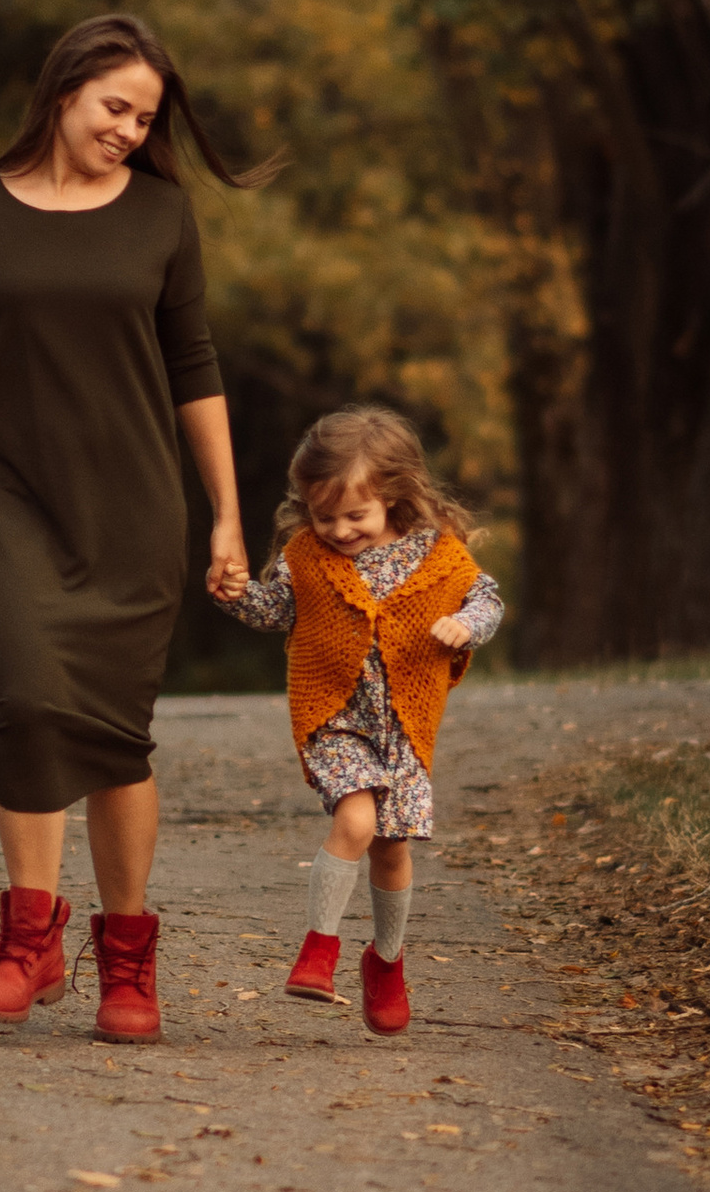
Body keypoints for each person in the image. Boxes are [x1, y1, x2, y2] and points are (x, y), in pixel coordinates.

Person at [0, 13, 265, 1041]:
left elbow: (194, 371)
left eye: (146, 117)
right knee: (33, 699)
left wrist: (226, 517)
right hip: (3, 506)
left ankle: (127, 963)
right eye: (116, 107)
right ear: (61, 95)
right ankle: (27, 938)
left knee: (115, 742)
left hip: (131, 510)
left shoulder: (163, 219)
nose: (132, 129)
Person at [216, 405, 504, 1037]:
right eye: (325, 517)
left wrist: (465, 627)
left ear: (394, 499)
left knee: (391, 847)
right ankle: (319, 950)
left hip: (402, 728)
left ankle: (387, 963)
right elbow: (276, 614)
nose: (340, 530)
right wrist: (239, 596)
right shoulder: (307, 557)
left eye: (356, 515)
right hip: (335, 717)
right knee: (356, 817)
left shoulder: (438, 557)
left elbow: (486, 598)